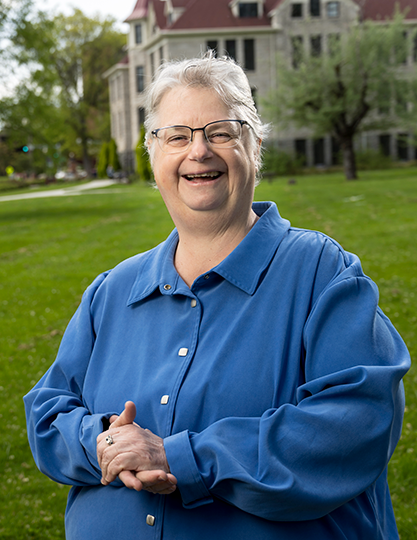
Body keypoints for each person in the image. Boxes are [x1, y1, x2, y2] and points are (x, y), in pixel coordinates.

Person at [24, 54, 410, 540]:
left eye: (221, 132)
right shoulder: (112, 290)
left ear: (256, 145)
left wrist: (176, 458)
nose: (198, 151)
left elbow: (355, 425)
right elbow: (48, 411)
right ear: (153, 153)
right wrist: (104, 442)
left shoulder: (321, 273)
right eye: (178, 136)